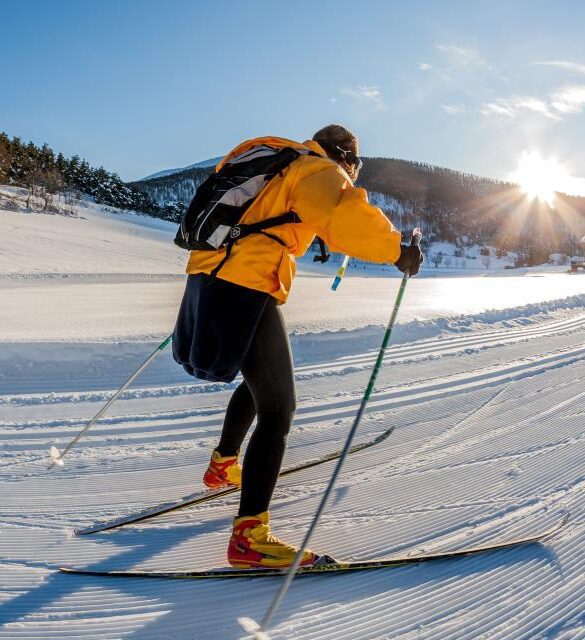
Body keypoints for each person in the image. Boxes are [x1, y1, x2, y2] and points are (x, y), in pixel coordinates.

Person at [172, 124, 423, 569]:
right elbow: (345, 215)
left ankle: (223, 466)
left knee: (259, 383)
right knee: (279, 408)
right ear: (343, 154)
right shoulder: (315, 169)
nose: (352, 172)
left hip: (216, 274)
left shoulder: (276, 160)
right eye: (354, 164)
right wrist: (398, 251)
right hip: (242, 280)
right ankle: (250, 538)